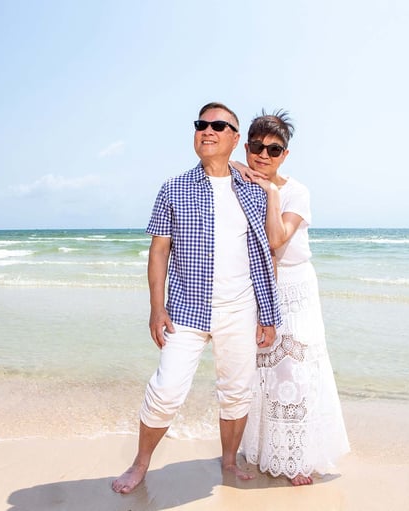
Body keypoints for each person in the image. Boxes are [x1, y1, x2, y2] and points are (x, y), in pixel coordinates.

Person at [111, 102, 281, 494]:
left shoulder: (253, 191)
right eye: (201, 124)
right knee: (166, 390)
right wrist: (156, 307)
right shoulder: (173, 188)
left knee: (237, 391)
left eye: (219, 125)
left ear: (234, 139)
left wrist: (267, 315)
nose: (208, 130)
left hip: (240, 310)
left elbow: (265, 254)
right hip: (186, 309)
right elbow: (159, 251)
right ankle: (140, 464)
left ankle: (227, 460)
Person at [233, 110, 350, 486]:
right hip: (259, 287)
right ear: (247, 145)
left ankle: (297, 458)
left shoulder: (296, 192)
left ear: (285, 154)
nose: (263, 155)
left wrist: (269, 191)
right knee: (263, 370)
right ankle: (266, 450)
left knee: (296, 370)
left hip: (296, 289)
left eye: (274, 149)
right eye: (256, 147)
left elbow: (277, 239)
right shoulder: (239, 180)